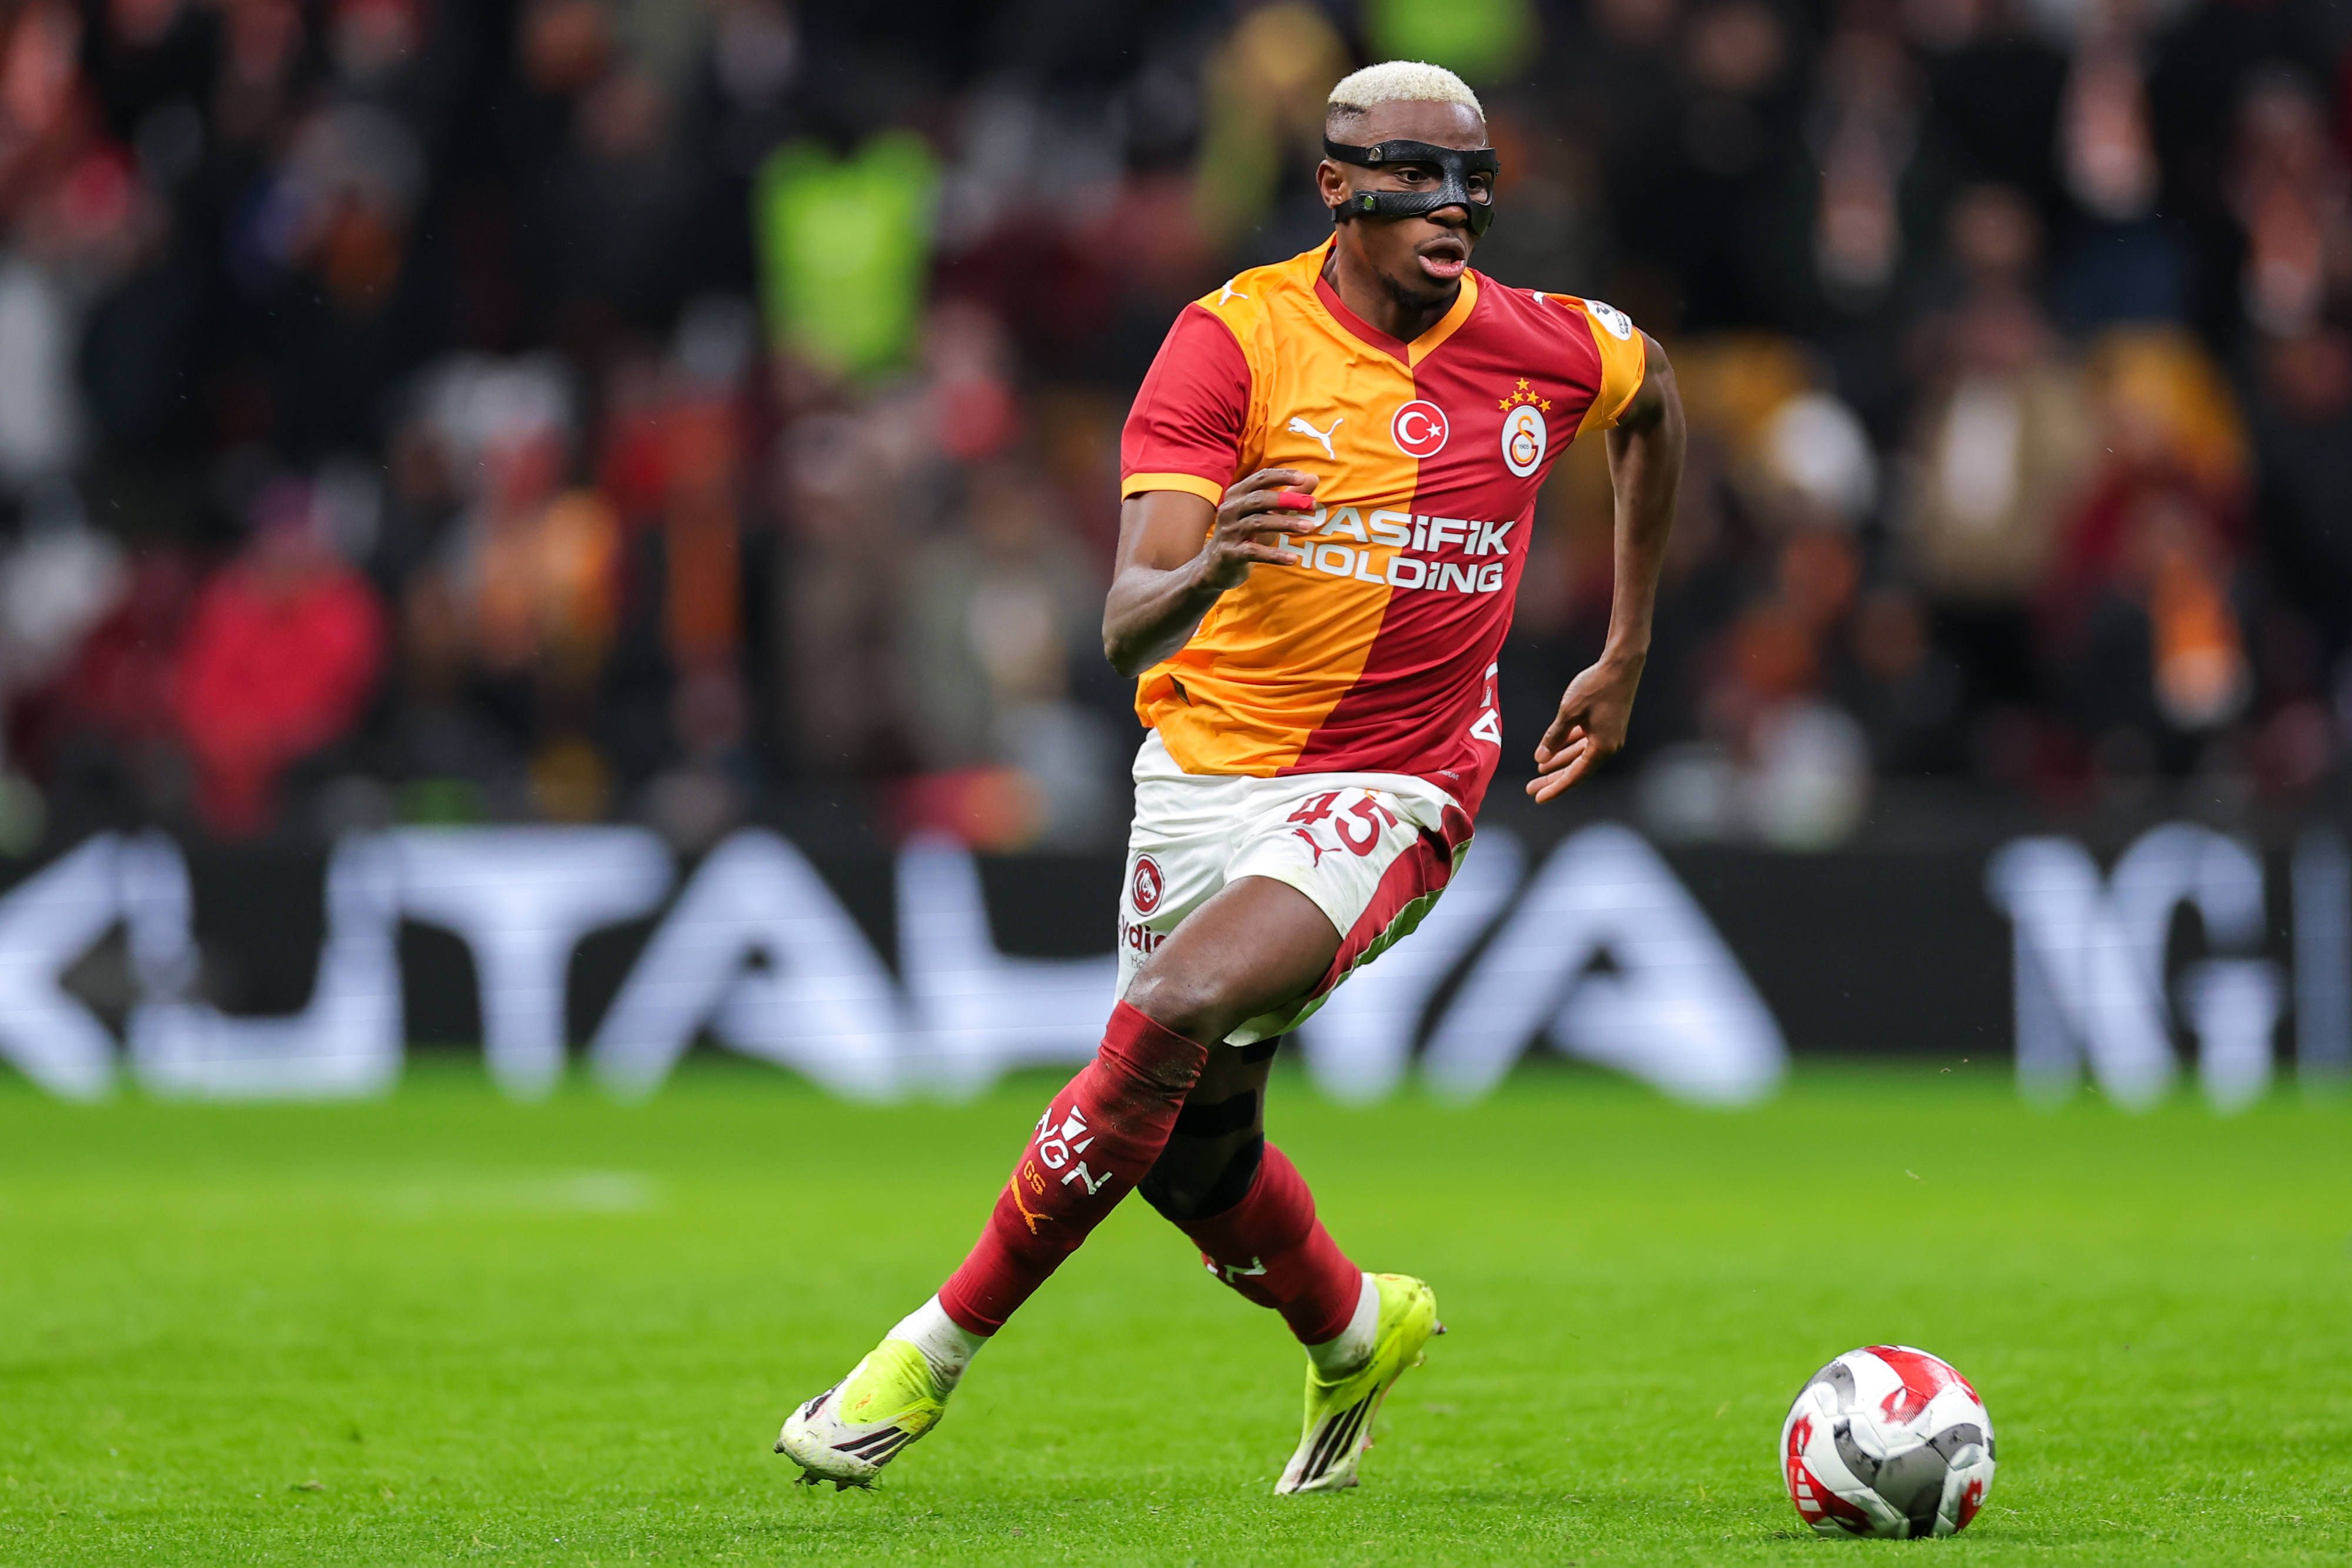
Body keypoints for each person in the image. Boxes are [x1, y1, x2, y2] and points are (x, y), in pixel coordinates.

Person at [777, 59, 1685, 1496]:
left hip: (1401, 781)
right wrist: (1215, 560)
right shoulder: (1230, 344)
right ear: (1334, 186)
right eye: (1411, 176)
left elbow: (1652, 408)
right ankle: (1350, 1323)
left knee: (1174, 1003)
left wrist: (1626, 647)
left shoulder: (1545, 345)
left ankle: (924, 1353)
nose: (1449, 208)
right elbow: (1123, 617)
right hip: (1206, 774)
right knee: (1189, 1150)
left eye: (1471, 181)